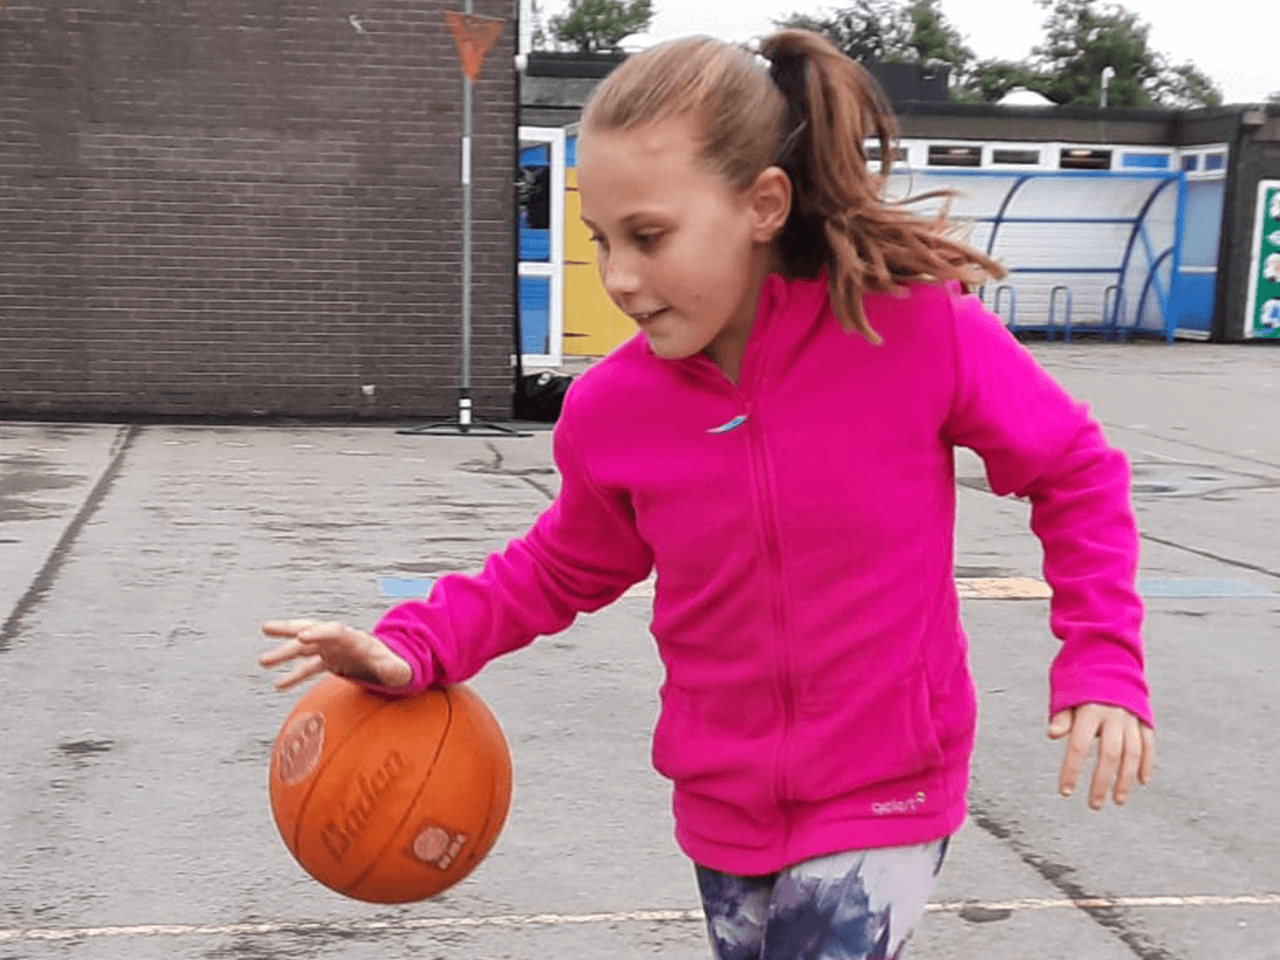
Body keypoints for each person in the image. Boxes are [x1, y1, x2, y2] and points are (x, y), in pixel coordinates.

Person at [260, 29, 1155, 960]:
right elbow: (558, 566)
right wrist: (415, 644)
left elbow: (1075, 469)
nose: (619, 279)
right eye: (602, 241)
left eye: (650, 237)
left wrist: (1102, 661)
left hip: (885, 782)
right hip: (723, 801)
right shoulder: (613, 410)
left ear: (763, 205)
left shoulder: (913, 331)